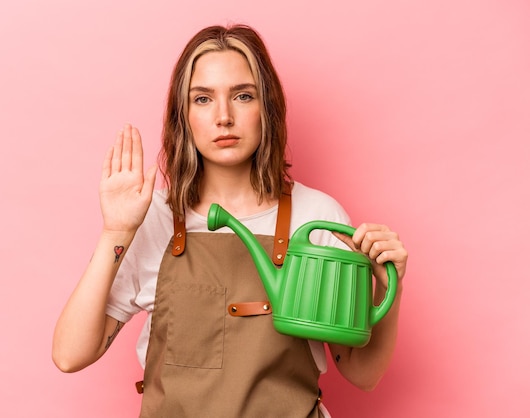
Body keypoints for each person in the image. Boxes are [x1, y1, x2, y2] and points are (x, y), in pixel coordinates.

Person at [52, 24, 408, 417]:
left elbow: (361, 373)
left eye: (242, 95)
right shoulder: (152, 219)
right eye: (203, 99)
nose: (223, 116)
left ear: (266, 108)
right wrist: (115, 232)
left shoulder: (317, 219)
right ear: (183, 116)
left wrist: (387, 285)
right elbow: (69, 355)